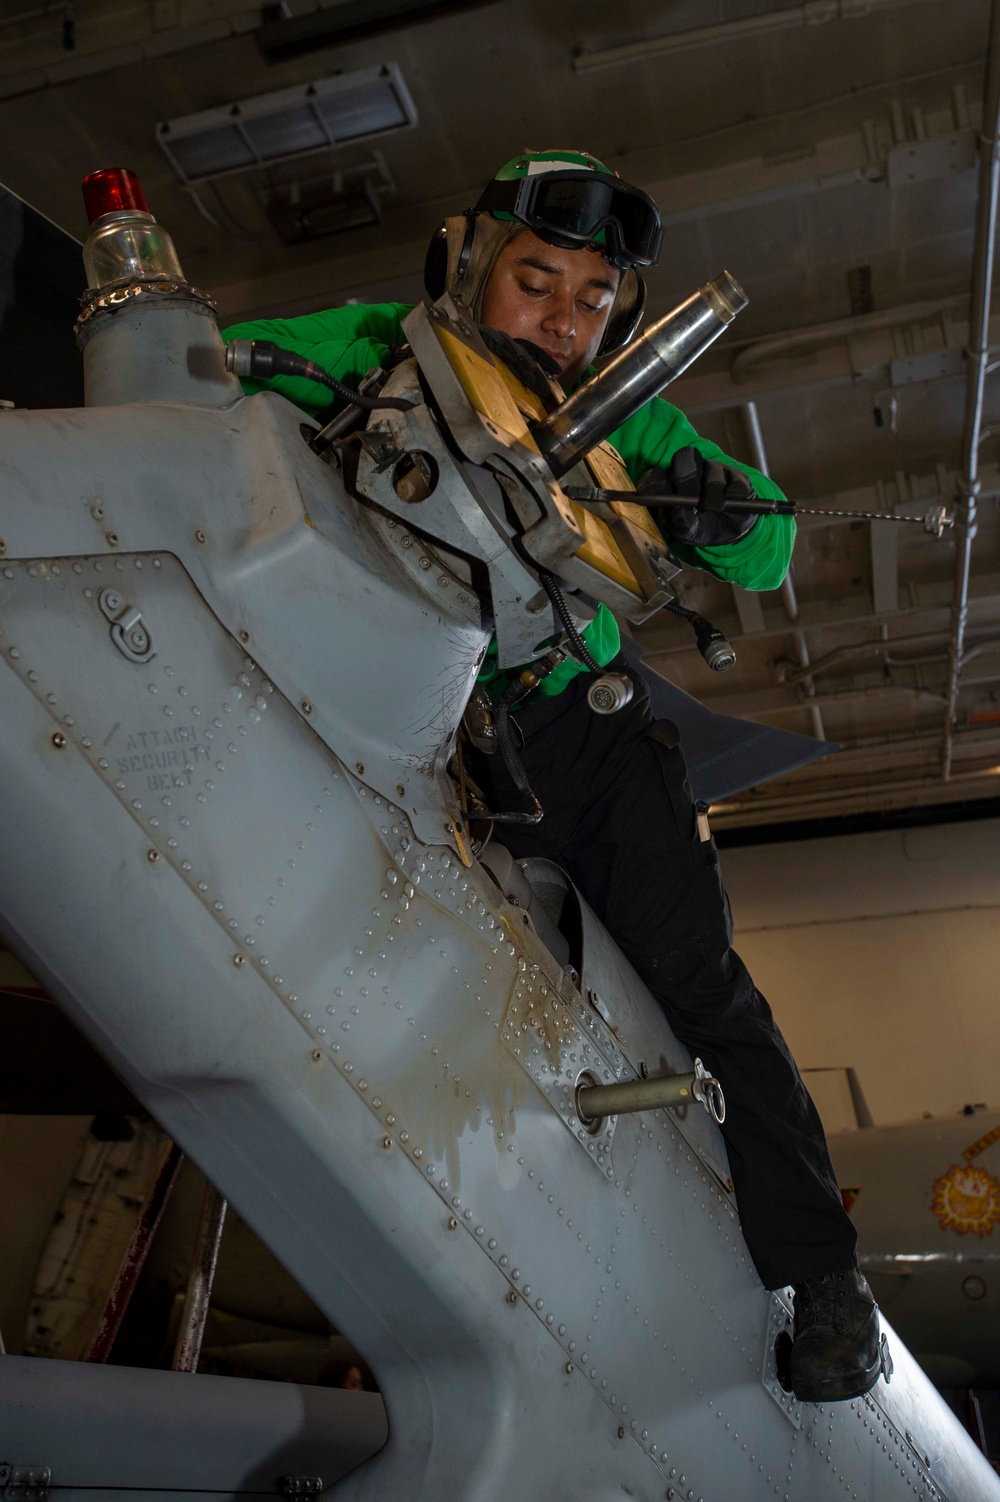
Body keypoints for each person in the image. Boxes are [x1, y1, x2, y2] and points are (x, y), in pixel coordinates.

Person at [222, 148, 881, 1404]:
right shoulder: (374, 345)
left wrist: (713, 505)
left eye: (592, 301)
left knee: (704, 987)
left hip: (581, 724)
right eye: (536, 282)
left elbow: (774, 541)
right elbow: (212, 370)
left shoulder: (628, 414)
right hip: (401, 710)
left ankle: (826, 1276)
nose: (564, 321)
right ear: (468, 262)